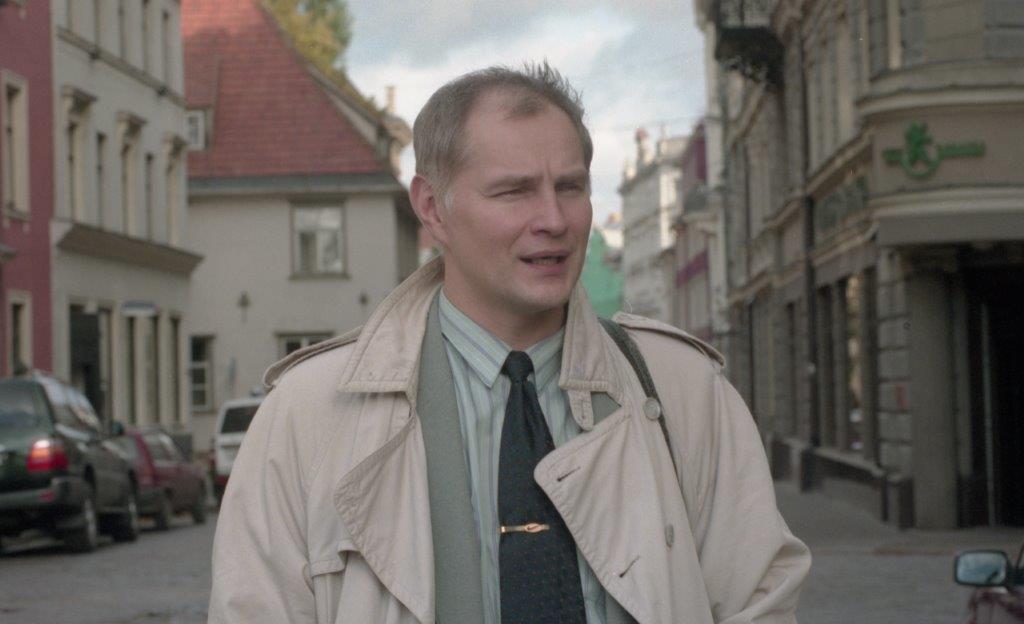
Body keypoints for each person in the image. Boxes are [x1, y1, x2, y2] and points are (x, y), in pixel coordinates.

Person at [208, 63, 810, 624]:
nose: (554, 219)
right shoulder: (310, 415)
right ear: (432, 209)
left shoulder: (683, 390)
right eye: (515, 191)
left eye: (570, 187)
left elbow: (761, 600)